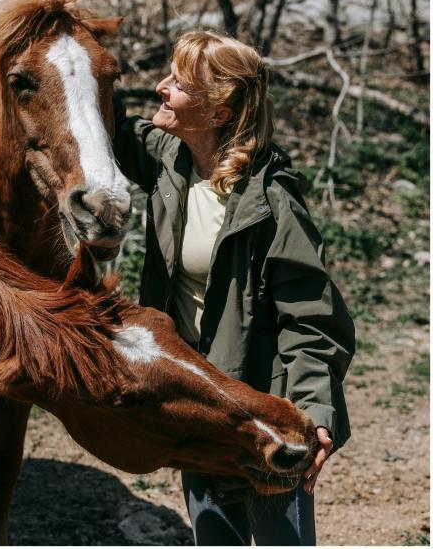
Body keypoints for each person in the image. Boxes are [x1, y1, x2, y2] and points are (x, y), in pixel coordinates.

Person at [113, 30, 355, 546]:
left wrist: (313, 413)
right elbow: (102, 118)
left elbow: (310, 317)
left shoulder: (268, 201)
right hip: (201, 397)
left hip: (263, 406)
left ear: (219, 112)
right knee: (213, 536)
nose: (159, 88)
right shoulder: (169, 161)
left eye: (177, 83)